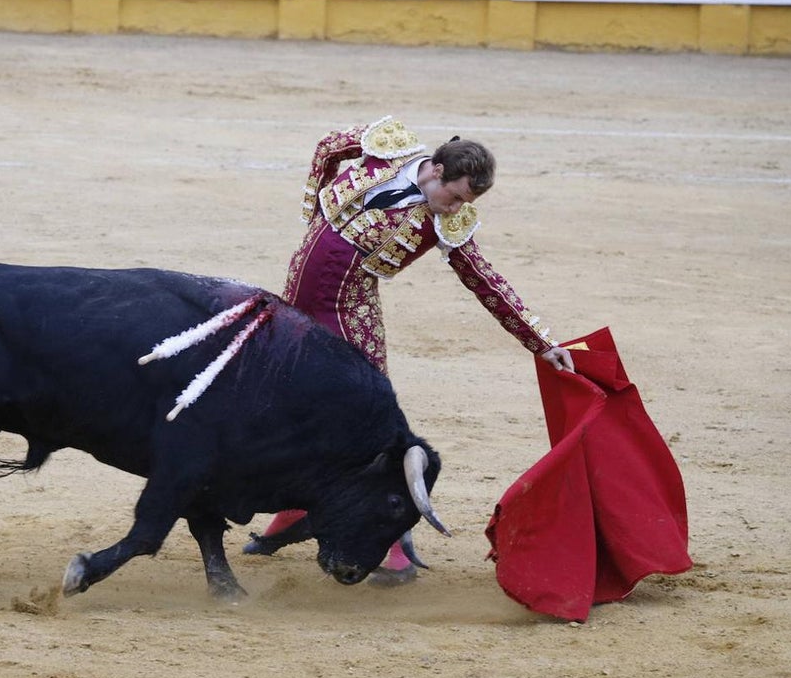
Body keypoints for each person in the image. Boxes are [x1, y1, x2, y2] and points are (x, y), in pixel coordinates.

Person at [243, 116, 575, 586]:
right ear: (435, 170)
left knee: (365, 432)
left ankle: (393, 548)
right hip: (297, 304)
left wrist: (540, 343)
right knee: (290, 412)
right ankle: (296, 512)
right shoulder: (388, 150)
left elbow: (486, 282)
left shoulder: (447, 224)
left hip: (346, 317)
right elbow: (329, 147)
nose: (455, 208)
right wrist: (313, 210)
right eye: (455, 195)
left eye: (466, 202)